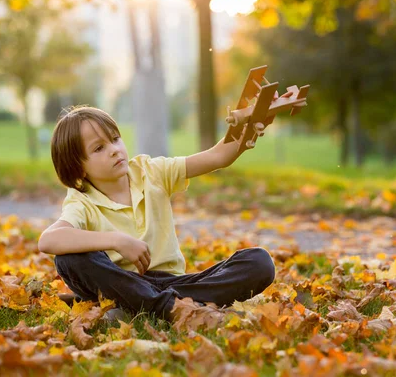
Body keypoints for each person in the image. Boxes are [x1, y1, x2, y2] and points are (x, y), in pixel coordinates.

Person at [38, 105, 277, 322]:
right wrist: (116, 240)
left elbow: (218, 156)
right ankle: (174, 309)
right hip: (120, 283)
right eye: (99, 148)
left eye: (115, 139)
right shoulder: (82, 200)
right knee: (68, 258)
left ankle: (140, 308)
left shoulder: (151, 172)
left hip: (172, 283)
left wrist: (250, 127)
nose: (114, 150)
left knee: (258, 262)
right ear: (77, 167)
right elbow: (48, 240)